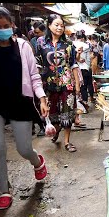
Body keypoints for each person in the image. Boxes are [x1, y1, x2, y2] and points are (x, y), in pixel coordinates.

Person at [0, 6, 49, 210]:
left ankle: (38, 162)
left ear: (12, 26)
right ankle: (4, 192)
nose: (1, 29)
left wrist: (42, 98)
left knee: (24, 148)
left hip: (19, 101)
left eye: (6, 26)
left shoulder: (24, 47)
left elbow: (34, 76)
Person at [34, 13, 81, 152]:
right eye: (57, 25)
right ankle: (57, 130)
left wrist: (77, 85)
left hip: (67, 83)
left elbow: (73, 64)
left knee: (67, 113)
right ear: (49, 25)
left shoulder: (68, 44)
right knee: (52, 112)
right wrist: (36, 83)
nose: (60, 28)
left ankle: (67, 142)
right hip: (48, 84)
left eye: (62, 25)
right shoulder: (41, 42)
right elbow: (37, 63)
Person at [74, 31, 94, 105]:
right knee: (89, 84)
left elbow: (76, 59)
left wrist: (79, 59)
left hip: (80, 70)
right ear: (83, 38)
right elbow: (88, 58)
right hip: (88, 68)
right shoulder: (87, 46)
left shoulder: (74, 45)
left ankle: (85, 102)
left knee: (83, 87)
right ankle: (91, 97)